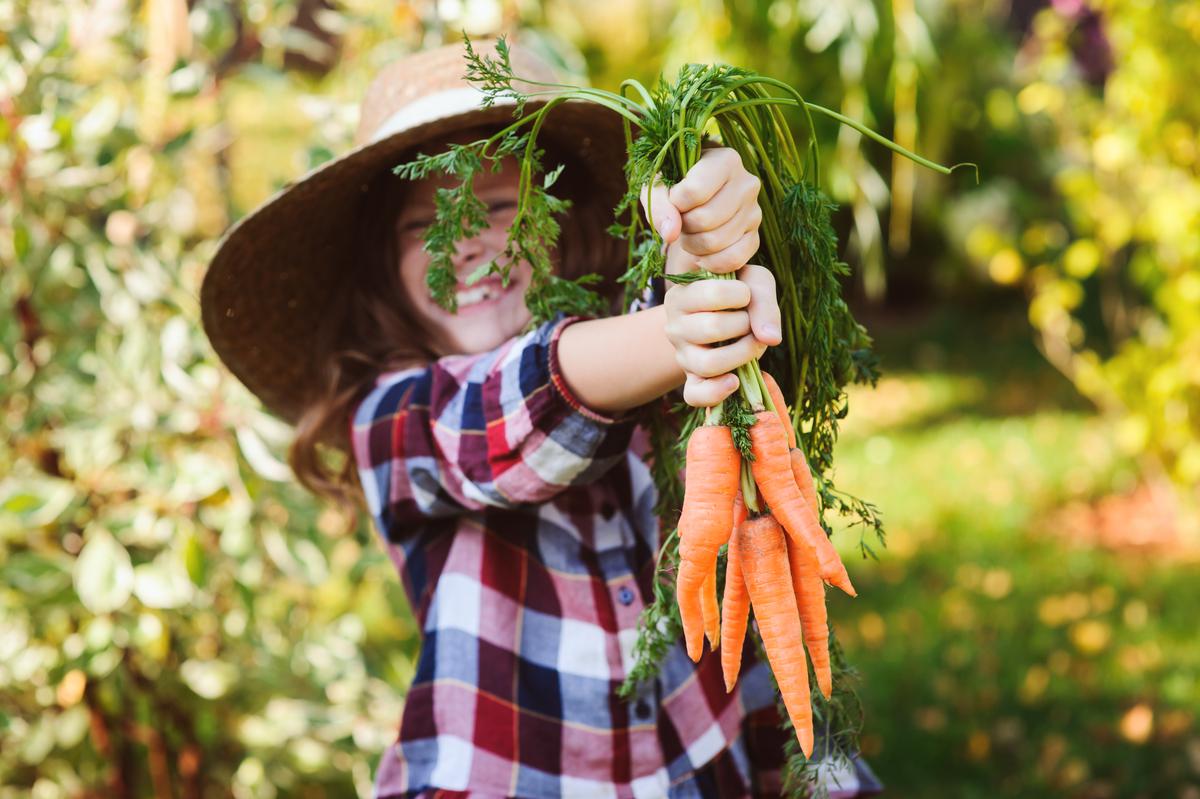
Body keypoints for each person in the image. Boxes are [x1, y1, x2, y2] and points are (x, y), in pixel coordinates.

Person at [201, 36, 882, 799]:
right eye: (421, 225)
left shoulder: (649, 361)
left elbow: (664, 329)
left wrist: (706, 236)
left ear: (571, 229)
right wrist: (674, 334)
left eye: (500, 205)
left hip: (705, 758)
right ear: (381, 275)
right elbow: (509, 413)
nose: (464, 239)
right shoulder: (393, 421)